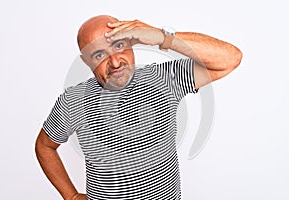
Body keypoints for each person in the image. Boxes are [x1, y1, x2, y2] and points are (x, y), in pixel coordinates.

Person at [35, 15, 242, 200]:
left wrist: (162, 37)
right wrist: (70, 196)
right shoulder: (74, 100)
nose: (115, 62)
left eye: (118, 46)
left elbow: (230, 58)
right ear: (86, 61)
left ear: (132, 43)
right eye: (99, 55)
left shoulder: (164, 79)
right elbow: (44, 146)